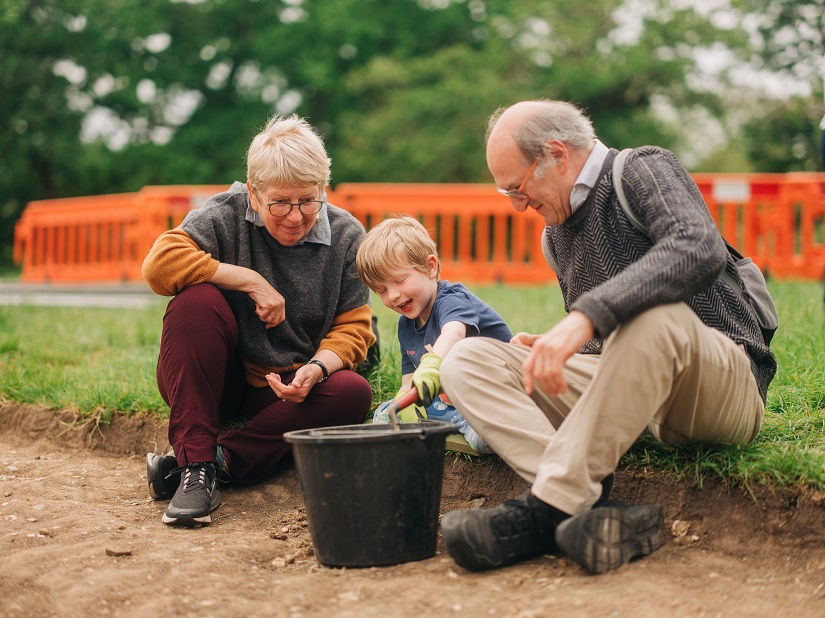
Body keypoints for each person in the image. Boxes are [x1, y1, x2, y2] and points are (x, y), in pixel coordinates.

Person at [439, 100, 777, 575]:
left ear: (556, 154)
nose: (517, 205)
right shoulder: (555, 237)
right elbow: (616, 344)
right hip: (637, 394)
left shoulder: (641, 168)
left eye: (517, 188)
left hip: (719, 387)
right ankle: (588, 507)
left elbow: (697, 247)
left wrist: (585, 319)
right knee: (468, 360)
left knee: (652, 314)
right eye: (505, 193)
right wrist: (567, 346)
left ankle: (542, 512)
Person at [141, 115, 375, 526]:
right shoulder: (224, 214)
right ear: (253, 192)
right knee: (195, 300)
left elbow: (355, 328)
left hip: (289, 387)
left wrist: (317, 369)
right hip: (215, 380)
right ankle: (195, 469)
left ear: (323, 190)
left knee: (352, 391)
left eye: (308, 200)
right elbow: (158, 266)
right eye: (280, 202)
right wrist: (248, 279)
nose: (296, 216)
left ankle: (217, 461)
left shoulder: (346, 235)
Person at [355, 215, 512, 454]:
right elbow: (409, 380)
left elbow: (454, 332)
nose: (393, 295)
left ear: (430, 267)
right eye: (382, 290)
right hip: (451, 401)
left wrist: (432, 365)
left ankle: (482, 423)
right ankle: (453, 419)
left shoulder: (452, 299)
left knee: (485, 439)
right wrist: (403, 399)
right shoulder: (405, 325)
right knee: (385, 416)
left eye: (399, 281)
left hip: (493, 390)